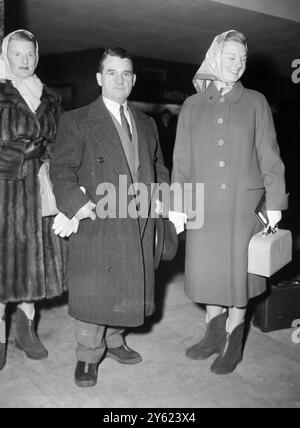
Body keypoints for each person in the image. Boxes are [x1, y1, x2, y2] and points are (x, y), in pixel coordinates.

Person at [50, 47, 169, 387]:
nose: (120, 80)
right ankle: (88, 355)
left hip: (138, 220)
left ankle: (114, 339)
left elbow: (158, 166)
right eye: (113, 73)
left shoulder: (146, 123)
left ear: (134, 79)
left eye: (126, 74)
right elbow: (61, 170)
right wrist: (75, 204)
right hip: (99, 221)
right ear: (100, 78)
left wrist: (163, 197)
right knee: (95, 291)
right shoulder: (76, 120)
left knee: (128, 286)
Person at [171, 30, 288, 375]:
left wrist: (275, 202)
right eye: (230, 57)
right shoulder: (192, 105)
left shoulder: (256, 101)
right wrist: (177, 203)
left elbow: (270, 157)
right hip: (204, 207)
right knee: (208, 274)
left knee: (238, 278)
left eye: (243, 59)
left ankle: (233, 341)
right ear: (214, 58)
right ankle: (212, 333)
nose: (237, 65)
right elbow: (181, 160)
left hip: (243, 208)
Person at [0, 29, 66, 371]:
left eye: (30, 54)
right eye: (17, 54)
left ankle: (26, 331)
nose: (24, 61)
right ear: (6, 56)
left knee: (31, 268)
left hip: (40, 193)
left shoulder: (51, 97)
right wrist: (18, 153)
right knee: (2, 270)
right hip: (4, 197)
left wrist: (48, 154)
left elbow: (63, 143)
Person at [156, 109, 176, 174]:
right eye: (164, 117)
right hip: (161, 154)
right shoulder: (158, 128)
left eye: (167, 117)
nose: (166, 118)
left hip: (169, 156)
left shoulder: (172, 129)